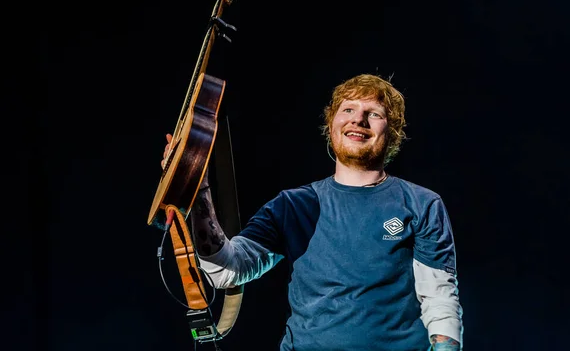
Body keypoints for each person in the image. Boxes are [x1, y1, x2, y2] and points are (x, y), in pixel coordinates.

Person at [161, 73, 464, 351]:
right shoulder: (293, 205)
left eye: (373, 114)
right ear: (331, 124)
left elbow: (440, 302)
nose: (358, 119)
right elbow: (227, 271)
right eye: (348, 110)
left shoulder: (421, 204)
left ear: (393, 132)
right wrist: (197, 186)